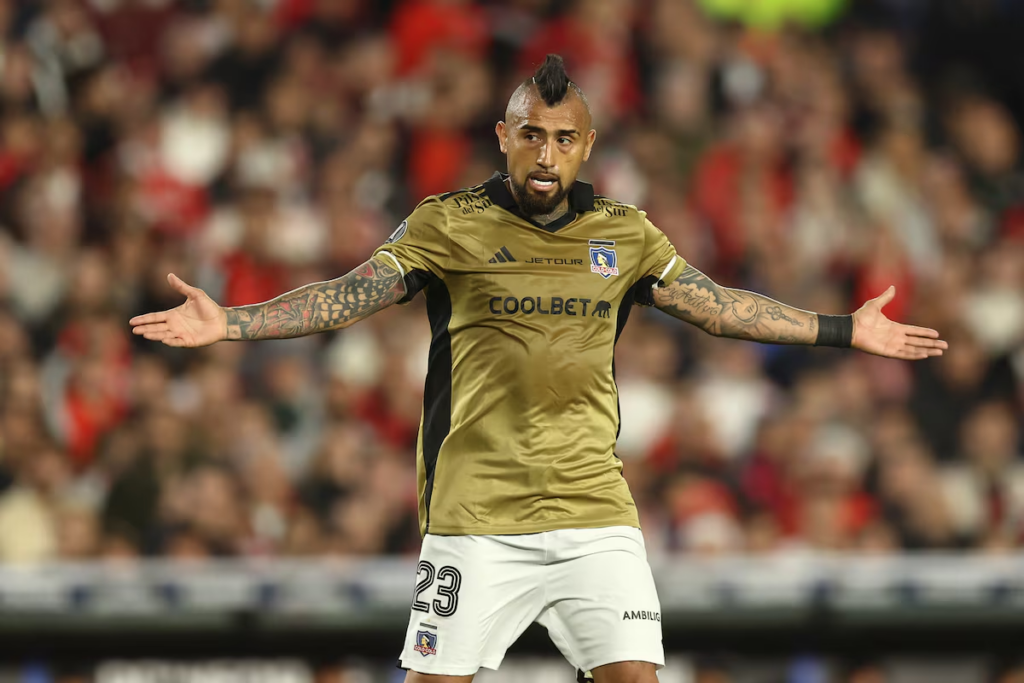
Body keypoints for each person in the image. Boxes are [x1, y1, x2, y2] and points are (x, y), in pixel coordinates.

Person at [130, 55, 947, 683]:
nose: (546, 152)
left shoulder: (627, 234)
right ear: (504, 137)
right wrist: (231, 321)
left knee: (635, 675)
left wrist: (843, 329)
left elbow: (716, 303)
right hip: (475, 515)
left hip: (593, 507)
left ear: (587, 144)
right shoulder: (448, 224)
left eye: (563, 137)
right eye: (531, 133)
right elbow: (351, 294)